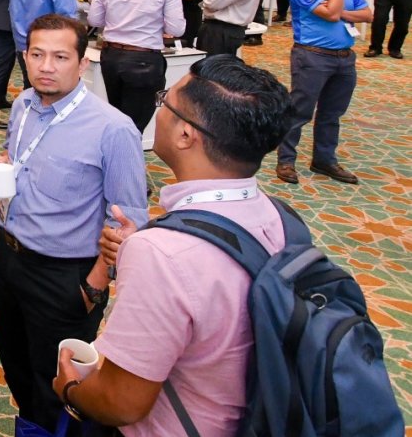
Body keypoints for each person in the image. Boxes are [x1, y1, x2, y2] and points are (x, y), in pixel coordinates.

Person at [52, 56, 293, 435]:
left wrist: (69, 387)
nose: (158, 108)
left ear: (185, 135)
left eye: (164, 100)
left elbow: (120, 402)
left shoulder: (162, 253)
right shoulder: (280, 217)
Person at [0, 14, 148, 435]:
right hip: (8, 254)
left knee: (59, 387)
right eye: (37, 55)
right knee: (16, 365)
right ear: (25, 56)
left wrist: (93, 287)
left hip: (63, 276)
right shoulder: (23, 105)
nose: (46, 67)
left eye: (60, 57)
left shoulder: (113, 129)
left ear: (83, 63)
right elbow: (20, 157)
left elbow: (130, 222)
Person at [276, 0, 371, 186]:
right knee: (300, 111)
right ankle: (286, 160)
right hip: (312, 56)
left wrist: (341, 11)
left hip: (344, 58)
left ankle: (324, 160)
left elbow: (367, 14)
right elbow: (329, 15)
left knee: (332, 113)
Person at [87, 0, 186, 132]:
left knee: (116, 116)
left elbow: (94, 20)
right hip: (145, 59)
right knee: (135, 124)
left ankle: (116, 151)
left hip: (112, 56)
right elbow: (176, 28)